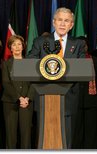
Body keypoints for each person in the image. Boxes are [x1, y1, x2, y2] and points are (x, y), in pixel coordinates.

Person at [27, 7, 85, 148]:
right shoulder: (40, 42)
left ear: (71, 25)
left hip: (68, 99)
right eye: (60, 20)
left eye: (67, 21)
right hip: (44, 98)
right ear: (54, 22)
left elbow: (82, 68)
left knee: (66, 140)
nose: (62, 24)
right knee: (44, 138)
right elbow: (30, 63)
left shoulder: (78, 44)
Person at [2, 35, 34, 149]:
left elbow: (33, 83)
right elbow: (6, 83)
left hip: (27, 103)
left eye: (19, 44)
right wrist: (19, 98)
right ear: (10, 47)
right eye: (14, 44)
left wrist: (27, 98)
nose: (17, 47)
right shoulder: (6, 64)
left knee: (26, 135)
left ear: (23, 46)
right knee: (11, 136)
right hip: (10, 103)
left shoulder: (29, 63)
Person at [72, 36, 97, 149]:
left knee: (91, 131)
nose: (82, 47)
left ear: (87, 46)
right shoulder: (71, 61)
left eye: (84, 45)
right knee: (77, 131)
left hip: (92, 101)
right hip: (76, 101)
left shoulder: (95, 60)